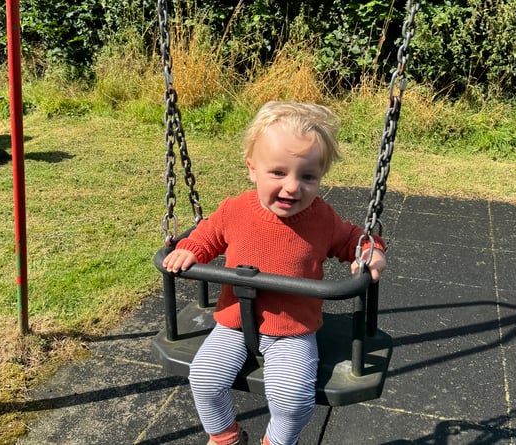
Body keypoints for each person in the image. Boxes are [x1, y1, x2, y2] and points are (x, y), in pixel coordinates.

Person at [162, 101, 387, 445]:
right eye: (278, 173)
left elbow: (353, 239)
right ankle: (224, 437)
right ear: (253, 169)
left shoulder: (322, 219)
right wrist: (189, 249)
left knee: (293, 398)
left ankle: (278, 441)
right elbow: (207, 236)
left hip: (292, 330)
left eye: (308, 176)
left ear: (321, 178)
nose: (293, 187)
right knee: (204, 378)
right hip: (234, 321)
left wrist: (370, 252)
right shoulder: (235, 210)